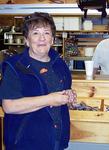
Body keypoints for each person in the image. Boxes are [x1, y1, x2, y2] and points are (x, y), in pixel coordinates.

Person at [0, 12, 77, 150]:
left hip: (56, 141)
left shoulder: (59, 64)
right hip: (25, 143)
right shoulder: (14, 66)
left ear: (52, 39)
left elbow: (59, 95)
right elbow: (9, 106)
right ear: (27, 40)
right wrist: (49, 99)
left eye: (46, 33)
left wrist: (67, 94)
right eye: (36, 33)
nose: (42, 38)